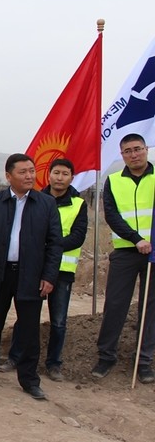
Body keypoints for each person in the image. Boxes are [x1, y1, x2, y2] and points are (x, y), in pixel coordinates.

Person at [0, 153, 62, 400]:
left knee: (29, 331)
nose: (30, 175)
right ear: (8, 176)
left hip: (31, 275)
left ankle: (29, 380)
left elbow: (54, 244)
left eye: (32, 170)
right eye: (23, 172)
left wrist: (49, 276)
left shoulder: (46, 204)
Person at [0, 158, 88, 382]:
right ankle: (15, 357)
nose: (59, 177)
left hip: (62, 270)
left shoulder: (78, 204)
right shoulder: (34, 199)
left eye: (65, 174)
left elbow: (77, 237)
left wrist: (50, 245)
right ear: (48, 175)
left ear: (71, 177)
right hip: (33, 268)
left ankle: (54, 363)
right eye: (56, 172)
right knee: (26, 317)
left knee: (58, 320)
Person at [93, 133, 155, 383]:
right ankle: (106, 356)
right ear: (122, 155)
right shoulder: (113, 181)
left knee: (150, 308)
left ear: (146, 149)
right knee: (115, 305)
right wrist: (136, 239)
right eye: (127, 151)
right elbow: (112, 216)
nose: (133, 154)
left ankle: (144, 361)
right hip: (127, 251)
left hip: (154, 254)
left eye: (137, 149)